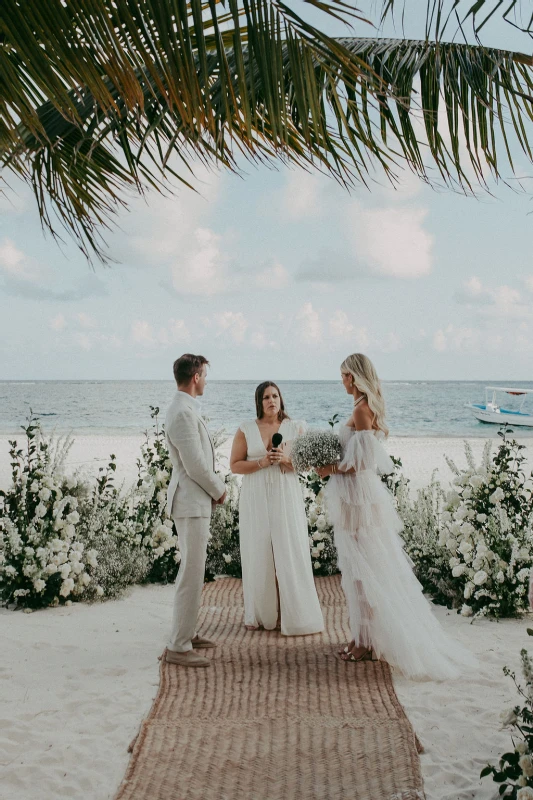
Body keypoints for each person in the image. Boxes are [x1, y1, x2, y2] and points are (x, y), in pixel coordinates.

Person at [317, 353, 476, 680]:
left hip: (358, 498)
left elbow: (361, 463)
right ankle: (363, 636)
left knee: (363, 570)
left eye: (345, 375)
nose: (342, 381)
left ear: (355, 377)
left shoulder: (362, 410)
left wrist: (327, 468)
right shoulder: (360, 407)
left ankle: (365, 641)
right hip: (355, 497)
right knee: (357, 569)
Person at [230, 381, 324, 636]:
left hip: (286, 493)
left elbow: (306, 466)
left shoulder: (295, 428)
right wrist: (261, 462)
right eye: (266, 397)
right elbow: (235, 465)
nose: (271, 401)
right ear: (259, 402)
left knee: (289, 548)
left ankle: (293, 613)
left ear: (281, 400)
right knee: (259, 549)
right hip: (255, 495)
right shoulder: (246, 429)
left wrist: (285, 459)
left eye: (275, 396)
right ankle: (263, 613)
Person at [165, 354, 226, 668]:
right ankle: (178, 645)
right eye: (205, 374)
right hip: (190, 502)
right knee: (190, 572)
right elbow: (195, 465)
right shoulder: (182, 413)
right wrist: (219, 489)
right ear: (196, 377)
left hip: (193, 501)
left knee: (193, 571)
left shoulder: (184, 409)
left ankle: (186, 632)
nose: (206, 380)